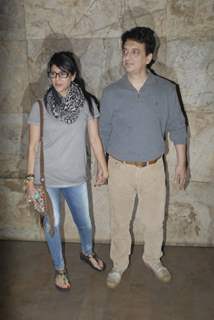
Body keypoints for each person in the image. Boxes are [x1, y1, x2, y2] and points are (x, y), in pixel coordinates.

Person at [99, 27, 187, 288]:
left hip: (152, 168)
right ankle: (119, 264)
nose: (127, 57)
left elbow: (178, 126)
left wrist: (182, 163)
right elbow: (103, 131)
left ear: (149, 56)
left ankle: (153, 258)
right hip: (119, 167)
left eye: (135, 52)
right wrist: (101, 166)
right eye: (125, 52)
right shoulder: (112, 92)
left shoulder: (166, 90)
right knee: (119, 221)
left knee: (154, 220)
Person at [26, 51, 108, 290]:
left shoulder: (88, 103)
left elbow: (95, 140)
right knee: (54, 224)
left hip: (76, 178)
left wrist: (103, 168)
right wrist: (30, 180)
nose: (57, 79)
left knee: (86, 223)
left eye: (62, 74)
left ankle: (87, 252)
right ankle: (60, 268)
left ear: (72, 75)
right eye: (53, 74)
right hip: (47, 178)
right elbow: (32, 146)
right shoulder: (39, 107)